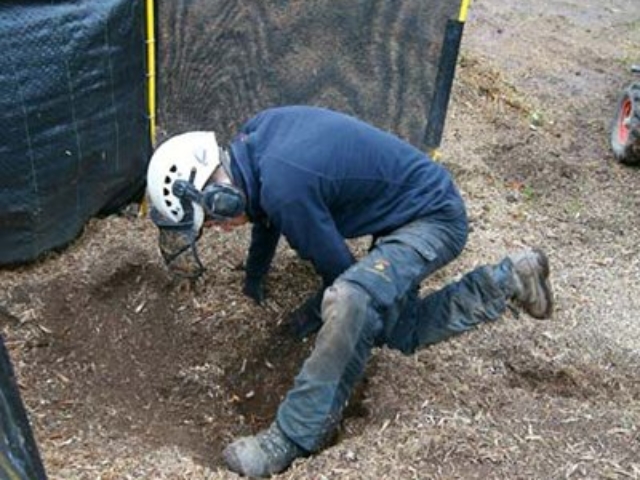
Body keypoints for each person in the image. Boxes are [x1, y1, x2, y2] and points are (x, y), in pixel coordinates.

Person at [145, 105, 554, 478]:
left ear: (218, 194)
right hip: (401, 213)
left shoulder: (286, 189)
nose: (218, 228)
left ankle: (290, 437)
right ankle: (510, 279)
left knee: (351, 301)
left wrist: (312, 314)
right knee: (395, 331)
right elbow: (263, 213)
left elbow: (341, 276)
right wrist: (254, 280)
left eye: (211, 220)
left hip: (433, 218)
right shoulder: (255, 144)